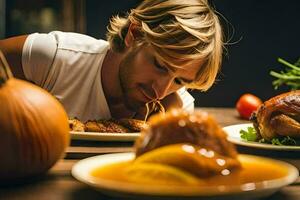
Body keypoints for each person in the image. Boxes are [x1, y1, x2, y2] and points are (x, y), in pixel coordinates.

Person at [0, 0, 223, 122]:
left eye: (179, 81)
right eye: (160, 65)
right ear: (133, 34)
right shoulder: (53, 57)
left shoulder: (178, 109)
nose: (161, 89)